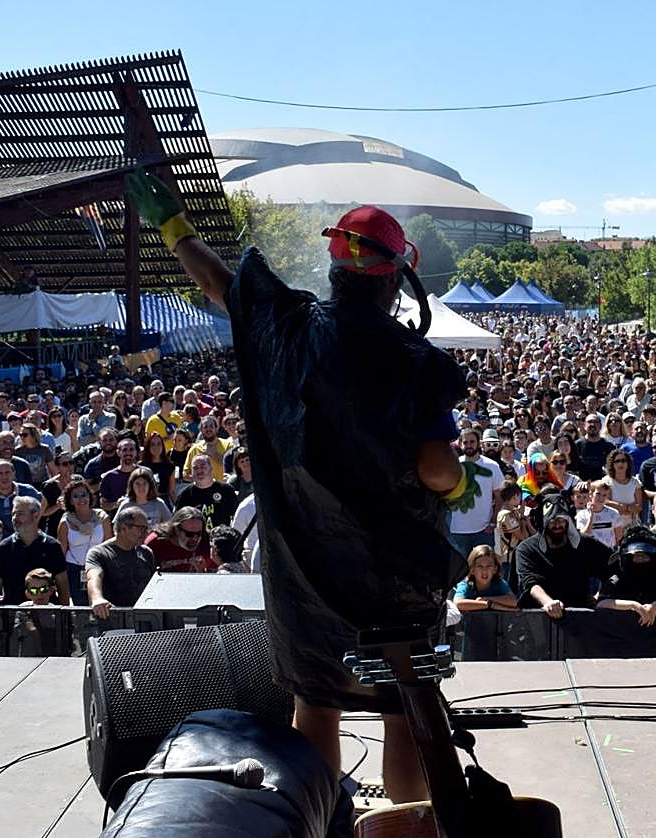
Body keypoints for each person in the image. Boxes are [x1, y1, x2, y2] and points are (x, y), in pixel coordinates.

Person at [127, 172, 479, 809]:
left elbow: (220, 285)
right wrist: (462, 481)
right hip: (394, 578)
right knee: (404, 709)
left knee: (315, 704)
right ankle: (403, 830)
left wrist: (172, 225)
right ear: (397, 278)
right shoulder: (418, 361)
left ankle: (315, 824)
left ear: (336, 268)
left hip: (306, 572)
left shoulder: (287, 327)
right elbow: (435, 470)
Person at [515, 489, 612, 617]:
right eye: (553, 521)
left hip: (580, 618)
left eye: (562, 520)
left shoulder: (585, 544)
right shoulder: (527, 548)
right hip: (539, 618)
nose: (558, 525)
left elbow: (612, 567)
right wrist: (548, 603)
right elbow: (530, 583)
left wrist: (601, 596)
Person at [595, 527, 656, 627]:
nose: (640, 559)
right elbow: (601, 604)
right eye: (636, 556)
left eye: (645, 556)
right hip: (622, 633)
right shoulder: (618, 579)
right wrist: (633, 606)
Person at [0, 496, 70, 607]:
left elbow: (62, 585)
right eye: (13, 514)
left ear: (36, 515)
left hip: (48, 614)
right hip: (14, 615)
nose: (15, 518)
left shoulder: (52, 546)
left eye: (20, 513)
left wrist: (65, 616)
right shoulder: (4, 548)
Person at [86, 505, 157, 617]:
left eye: (147, 529)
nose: (146, 533)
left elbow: (155, 585)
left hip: (143, 618)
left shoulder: (146, 553)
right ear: (123, 528)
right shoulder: (99, 553)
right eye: (141, 528)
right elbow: (93, 577)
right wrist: (97, 599)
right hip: (113, 619)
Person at [447, 428, 501, 558]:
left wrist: (493, 523)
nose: (469, 445)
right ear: (460, 444)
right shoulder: (453, 465)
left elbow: (499, 497)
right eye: (465, 442)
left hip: (484, 530)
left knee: (486, 571)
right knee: (458, 574)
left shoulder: (492, 466)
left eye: (472, 442)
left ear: (479, 443)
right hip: (457, 530)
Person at [56, 478, 110, 607]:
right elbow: (61, 551)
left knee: (100, 602)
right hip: (74, 568)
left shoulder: (102, 518)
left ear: (90, 496)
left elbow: (108, 545)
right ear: (70, 500)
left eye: (84, 495)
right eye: (75, 496)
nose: (81, 499)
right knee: (81, 606)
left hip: (99, 567)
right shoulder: (65, 522)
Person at [175, 454, 237, 530]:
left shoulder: (226, 490)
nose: (199, 470)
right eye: (195, 468)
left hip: (221, 539)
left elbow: (237, 517)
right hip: (196, 540)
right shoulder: (185, 495)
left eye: (203, 467)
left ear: (211, 468)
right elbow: (176, 522)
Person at [144, 506, 215, 572]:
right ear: (176, 530)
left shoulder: (207, 542)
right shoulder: (155, 543)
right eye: (189, 534)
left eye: (199, 533)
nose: (195, 538)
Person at [12, 568, 63, 657]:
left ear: (51, 591)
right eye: (34, 591)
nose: (39, 594)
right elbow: (29, 633)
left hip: (52, 659)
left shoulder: (57, 611)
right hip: (28, 659)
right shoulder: (23, 610)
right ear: (27, 594)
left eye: (43, 589)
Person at [452, 544, 516, 611]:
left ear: (495, 569)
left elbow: (513, 601)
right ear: (472, 569)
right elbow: (458, 603)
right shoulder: (466, 584)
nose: (484, 571)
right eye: (480, 566)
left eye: (489, 566)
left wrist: (486, 598)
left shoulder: (499, 583)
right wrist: (489, 604)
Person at [603, 449, 644, 531]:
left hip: (632, 525)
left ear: (628, 463)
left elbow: (639, 507)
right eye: (617, 461)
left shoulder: (635, 483)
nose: (620, 463)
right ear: (612, 464)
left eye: (623, 460)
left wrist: (625, 509)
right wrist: (622, 507)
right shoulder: (606, 482)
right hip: (612, 525)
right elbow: (605, 502)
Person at [99, 437, 141, 514]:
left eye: (131, 449)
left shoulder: (144, 473)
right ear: (118, 452)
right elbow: (103, 504)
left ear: (136, 452)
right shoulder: (109, 477)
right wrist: (117, 504)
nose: (128, 453)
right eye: (124, 450)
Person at [575, 480, 622, 549]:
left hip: (609, 553)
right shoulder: (582, 514)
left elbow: (619, 537)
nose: (601, 498)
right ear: (590, 494)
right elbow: (583, 536)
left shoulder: (614, 513)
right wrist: (591, 516)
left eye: (604, 495)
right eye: (598, 494)